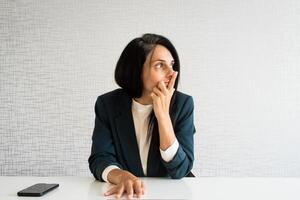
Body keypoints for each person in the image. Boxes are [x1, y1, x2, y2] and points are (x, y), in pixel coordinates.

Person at [88, 33, 196, 199]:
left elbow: (181, 170)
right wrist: (121, 176)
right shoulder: (108, 104)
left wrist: (163, 117)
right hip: (130, 195)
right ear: (136, 70)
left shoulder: (183, 104)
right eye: (160, 65)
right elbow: (99, 159)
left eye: (172, 65)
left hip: (173, 194)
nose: (172, 73)